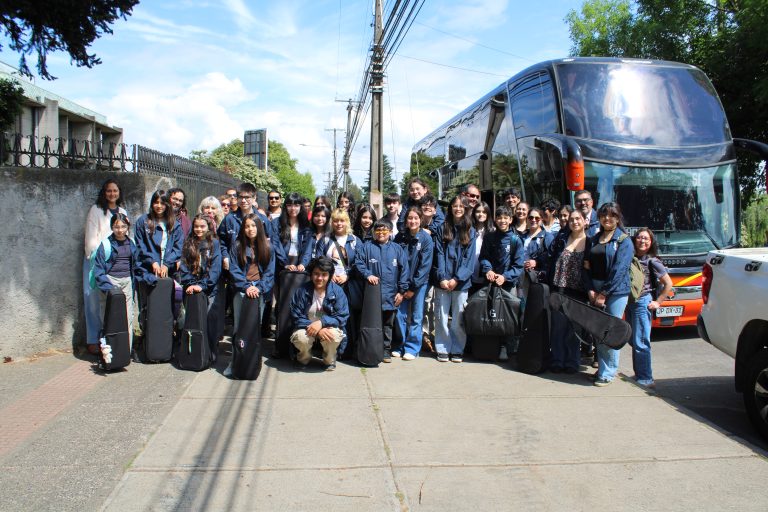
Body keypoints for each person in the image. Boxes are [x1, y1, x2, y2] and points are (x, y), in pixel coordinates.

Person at [584, 202, 634, 386]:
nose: (607, 218)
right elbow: (586, 266)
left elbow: (620, 270)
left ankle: (608, 373)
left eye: (612, 215)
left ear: (618, 218)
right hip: (595, 289)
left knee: (610, 332)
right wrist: (590, 288)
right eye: (604, 215)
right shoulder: (594, 239)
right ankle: (603, 369)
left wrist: (604, 292)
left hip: (615, 291)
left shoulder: (624, 241)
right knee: (598, 331)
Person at [353, 218, 410, 363]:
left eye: (384, 230)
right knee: (372, 323)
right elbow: (358, 263)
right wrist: (368, 274)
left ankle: (385, 350)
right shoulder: (367, 247)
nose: (381, 233)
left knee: (388, 324)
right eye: (378, 230)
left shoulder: (397, 249)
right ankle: (371, 348)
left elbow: (405, 271)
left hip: (391, 295)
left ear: (390, 232)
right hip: (372, 295)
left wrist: (401, 291)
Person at [227, 213, 275, 376]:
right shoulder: (237, 246)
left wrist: (259, 288)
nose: (250, 229)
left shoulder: (268, 247)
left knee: (255, 327)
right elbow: (234, 270)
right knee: (238, 327)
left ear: (259, 227)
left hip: (259, 291)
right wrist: (246, 287)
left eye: (253, 225)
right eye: (247, 226)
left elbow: (269, 273)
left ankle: (253, 362)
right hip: (242, 290)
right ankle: (234, 362)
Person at [83, 178, 128, 354]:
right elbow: (91, 237)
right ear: (104, 192)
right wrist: (99, 255)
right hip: (96, 259)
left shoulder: (122, 211)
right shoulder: (96, 210)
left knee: (111, 299)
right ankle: (93, 338)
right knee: (92, 297)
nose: (112, 194)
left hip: (115, 261)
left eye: (115, 190)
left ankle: (110, 337)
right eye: (109, 190)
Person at [626, 228, 673, 388]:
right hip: (631, 301)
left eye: (646, 239)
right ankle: (640, 373)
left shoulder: (653, 261)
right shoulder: (631, 257)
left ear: (651, 242)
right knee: (633, 340)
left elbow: (668, 284)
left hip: (642, 301)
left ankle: (646, 378)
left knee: (641, 341)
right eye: (639, 238)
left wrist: (658, 302)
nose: (642, 241)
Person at [432, 195, 477, 363]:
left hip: (461, 283)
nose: (457, 209)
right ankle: (443, 348)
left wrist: (457, 279)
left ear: (465, 209)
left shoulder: (470, 230)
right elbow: (439, 254)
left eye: (461, 206)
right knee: (441, 317)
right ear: (450, 208)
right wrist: (443, 277)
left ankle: (457, 349)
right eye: (454, 206)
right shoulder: (442, 228)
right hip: (442, 281)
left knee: (458, 318)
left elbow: (469, 260)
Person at [134, 190, 184, 340]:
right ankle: (147, 338)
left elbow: (178, 247)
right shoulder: (143, 221)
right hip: (147, 271)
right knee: (147, 306)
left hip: (167, 272)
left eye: (162, 202)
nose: (159, 206)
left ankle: (167, 339)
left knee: (168, 307)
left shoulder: (174, 223)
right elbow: (140, 246)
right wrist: (153, 262)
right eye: (156, 202)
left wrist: (166, 265)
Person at [478, 205, 525, 360]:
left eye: (506, 217)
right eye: (499, 217)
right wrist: (488, 270)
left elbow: (518, 266)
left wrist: (505, 276)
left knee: (509, 316)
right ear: (495, 219)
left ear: (511, 220)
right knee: (492, 314)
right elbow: (483, 257)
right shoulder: (489, 237)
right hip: (491, 282)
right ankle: (493, 346)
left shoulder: (515, 240)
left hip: (508, 284)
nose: (502, 220)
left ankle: (510, 348)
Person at [289, 256, 349, 371]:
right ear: (311, 274)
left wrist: (322, 323)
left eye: (324, 274)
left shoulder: (338, 292)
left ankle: (329, 360)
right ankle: (303, 359)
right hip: (305, 326)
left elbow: (342, 316)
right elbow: (295, 315)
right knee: (301, 337)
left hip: (328, 327)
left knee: (334, 336)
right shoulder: (302, 291)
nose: (320, 278)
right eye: (316, 274)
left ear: (330, 276)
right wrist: (316, 328)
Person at [547, 209, 589, 373]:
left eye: (578, 219)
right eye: (572, 219)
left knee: (573, 330)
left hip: (578, 292)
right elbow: (551, 259)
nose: (574, 222)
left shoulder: (590, 241)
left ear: (585, 221)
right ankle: (557, 359)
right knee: (558, 328)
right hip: (559, 289)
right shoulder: (562, 238)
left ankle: (572, 361)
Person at [179, 214, 223, 361]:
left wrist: (203, 285)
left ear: (208, 227)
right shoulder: (188, 243)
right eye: (196, 226)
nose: (199, 229)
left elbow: (215, 269)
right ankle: (195, 352)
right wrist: (191, 284)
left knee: (210, 320)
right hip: (191, 289)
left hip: (210, 289)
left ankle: (211, 351)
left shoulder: (214, 243)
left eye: (202, 226)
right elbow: (184, 266)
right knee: (193, 321)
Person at [91, 212, 137, 350]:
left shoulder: (131, 243)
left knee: (128, 318)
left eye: (123, 226)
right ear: (112, 227)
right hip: (110, 282)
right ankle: (108, 352)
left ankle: (125, 352)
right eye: (117, 227)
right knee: (109, 318)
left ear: (128, 227)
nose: (120, 230)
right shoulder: (105, 245)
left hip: (127, 282)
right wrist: (108, 288)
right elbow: (98, 270)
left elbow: (134, 265)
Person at [392, 207, 434, 360]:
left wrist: (412, 288)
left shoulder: (426, 239)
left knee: (416, 316)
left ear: (421, 219)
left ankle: (412, 348)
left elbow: (424, 267)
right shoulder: (400, 237)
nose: (413, 221)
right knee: (399, 315)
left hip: (419, 284)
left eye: (416, 218)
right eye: (410, 218)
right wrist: (402, 287)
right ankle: (399, 345)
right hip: (401, 284)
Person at [276, 192, 312, 271]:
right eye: (289, 205)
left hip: (300, 264)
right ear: (285, 206)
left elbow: (308, 247)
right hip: (281, 263)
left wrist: (303, 263)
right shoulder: (277, 223)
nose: (293, 208)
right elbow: (276, 245)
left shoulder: (305, 225)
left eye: (296, 205)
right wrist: (285, 264)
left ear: (301, 207)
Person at [469, 202, 494, 295]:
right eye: (478, 211)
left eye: (484, 212)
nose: (481, 214)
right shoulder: (469, 230)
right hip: (470, 273)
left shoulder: (493, 231)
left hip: (486, 274)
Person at [523, 207, 554, 280]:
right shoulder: (521, 236)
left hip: (537, 277)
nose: (534, 220)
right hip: (520, 276)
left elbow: (551, 257)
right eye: (531, 217)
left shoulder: (547, 237)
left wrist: (537, 262)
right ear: (527, 219)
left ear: (541, 220)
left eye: (537, 218)